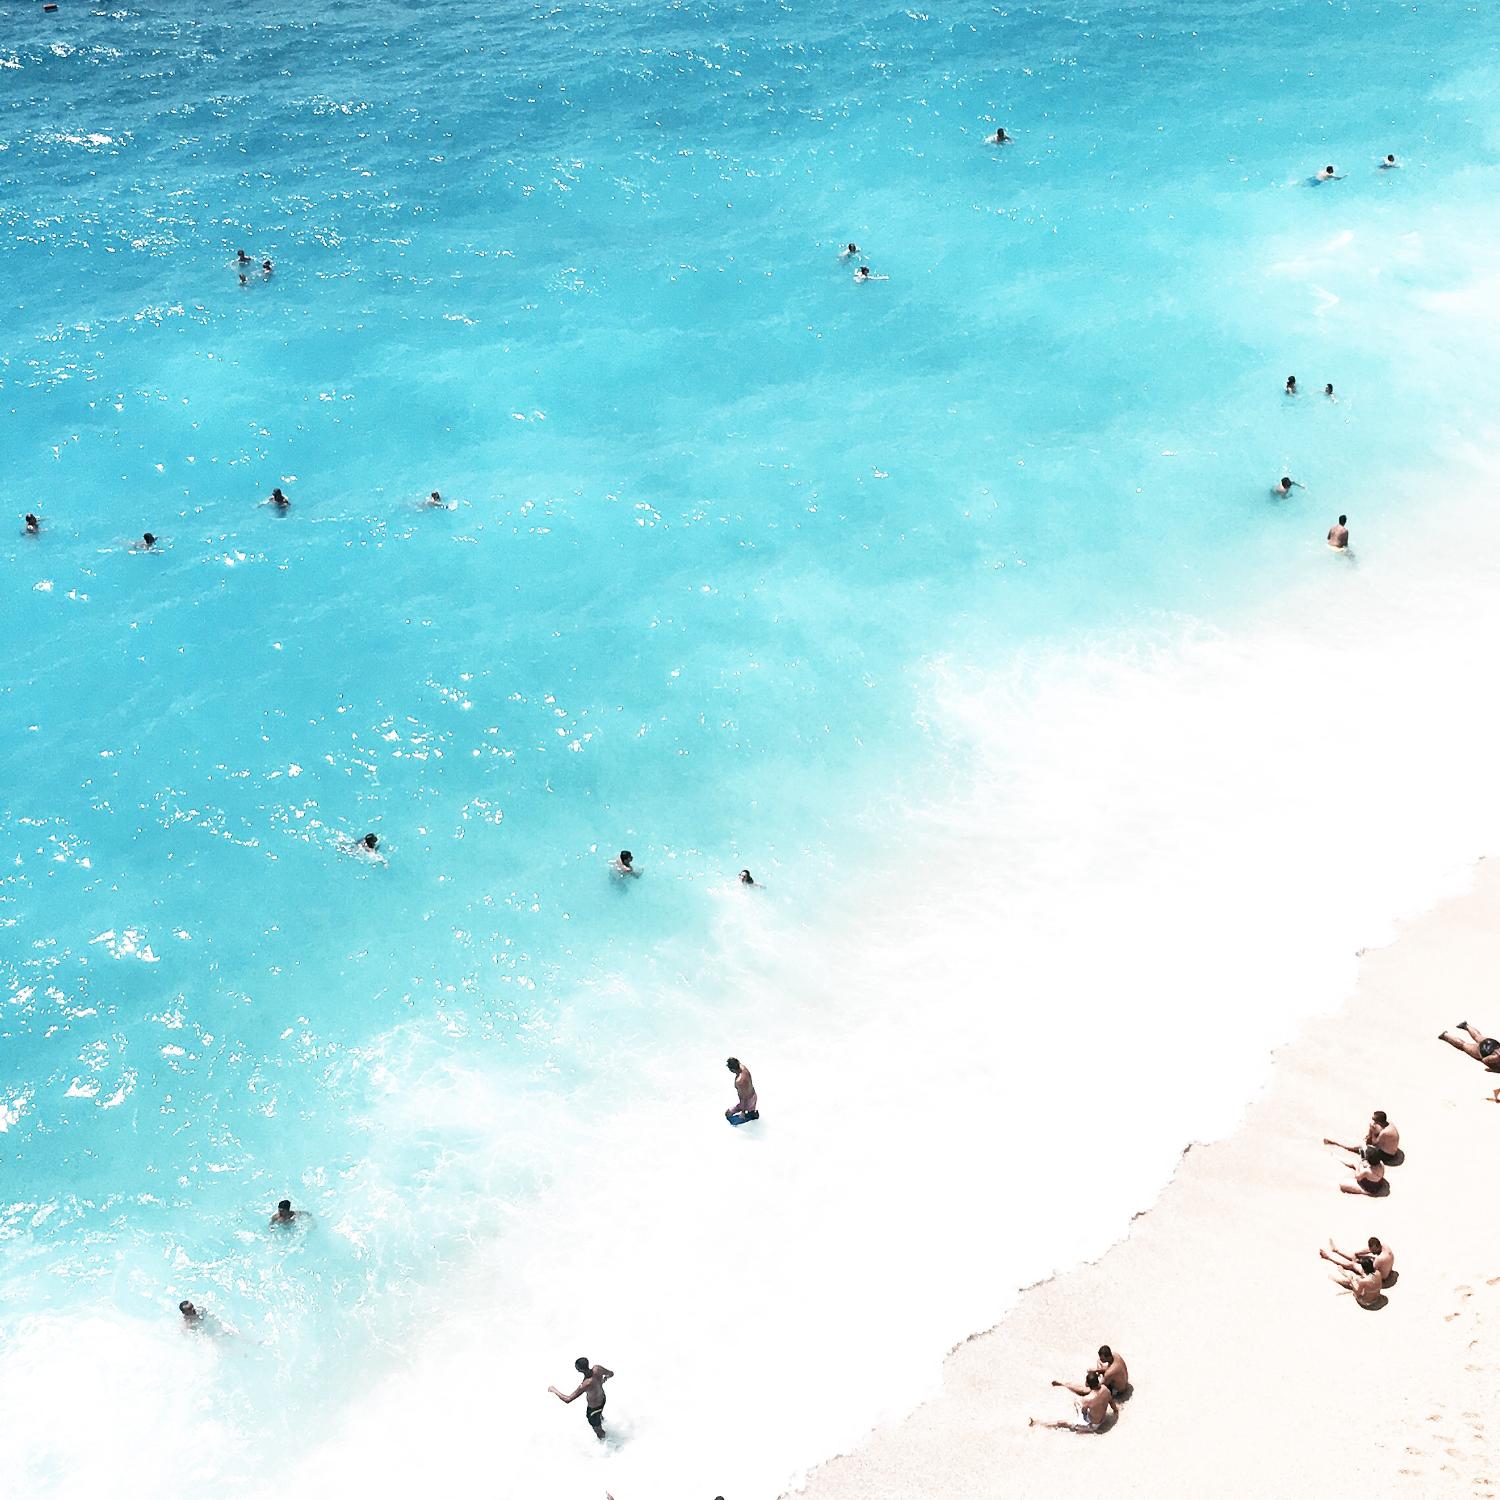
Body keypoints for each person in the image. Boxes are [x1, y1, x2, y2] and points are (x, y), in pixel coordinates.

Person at [549, 1357, 613, 1440]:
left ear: (579, 1369)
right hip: (603, 1399)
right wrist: (604, 1379)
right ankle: (601, 1420)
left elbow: (568, 1399)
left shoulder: (586, 1384)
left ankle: (609, 1442)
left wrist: (554, 1390)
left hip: (594, 1409)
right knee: (599, 1415)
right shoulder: (598, 1369)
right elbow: (611, 1374)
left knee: (598, 1430)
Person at [1031, 1370, 1116, 1432]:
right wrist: (1116, 1411)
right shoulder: (1105, 1389)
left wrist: (1085, 1409)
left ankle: (1037, 1423)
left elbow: (1084, 1411)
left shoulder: (1087, 1399)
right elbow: (1112, 1402)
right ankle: (1063, 1385)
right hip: (1103, 1419)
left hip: (1092, 1425)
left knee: (1061, 1423)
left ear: (1087, 1384)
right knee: (1077, 1401)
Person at [1438, 1022, 1500, 1098]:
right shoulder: (1496, 1057)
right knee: (1463, 1045)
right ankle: (1445, 1035)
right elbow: (1485, 1060)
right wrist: (1491, 1067)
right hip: (1483, 1051)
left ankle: (1465, 1025)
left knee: (1478, 1036)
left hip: (1492, 1043)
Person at [1323, 1236, 1395, 1286]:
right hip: (1385, 1270)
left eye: (1373, 1250)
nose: (1371, 1251)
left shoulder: (1379, 1259)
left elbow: (1370, 1269)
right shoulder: (1385, 1247)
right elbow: (1368, 1250)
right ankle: (1336, 1251)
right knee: (1358, 1256)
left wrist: (1358, 1261)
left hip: (1381, 1277)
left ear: (1377, 1247)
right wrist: (1357, 1253)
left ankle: (1329, 1257)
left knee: (1353, 1264)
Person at [725, 1057, 758, 1122]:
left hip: (748, 1101)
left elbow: (743, 1098)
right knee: (750, 1112)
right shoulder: (743, 1067)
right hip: (753, 1096)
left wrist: (743, 1112)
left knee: (728, 1114)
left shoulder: (740, 1081)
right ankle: (752, 1113)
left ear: (732, 1070)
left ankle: (751, 1115)